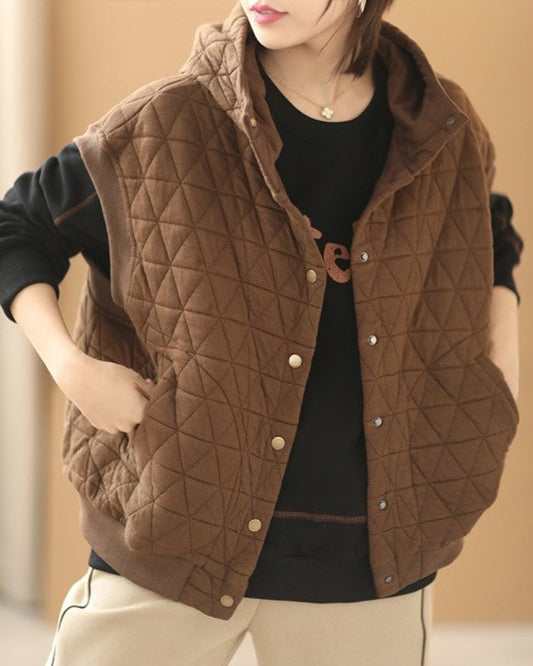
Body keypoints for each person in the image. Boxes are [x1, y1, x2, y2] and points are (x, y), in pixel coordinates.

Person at [0, 1, 524, 664]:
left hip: (366, 563)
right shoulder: (166, 121)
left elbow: (489, 232)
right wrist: (73, 371)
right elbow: (18, 227)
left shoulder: (437, 124)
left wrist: (500, 381)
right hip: (173, 538)